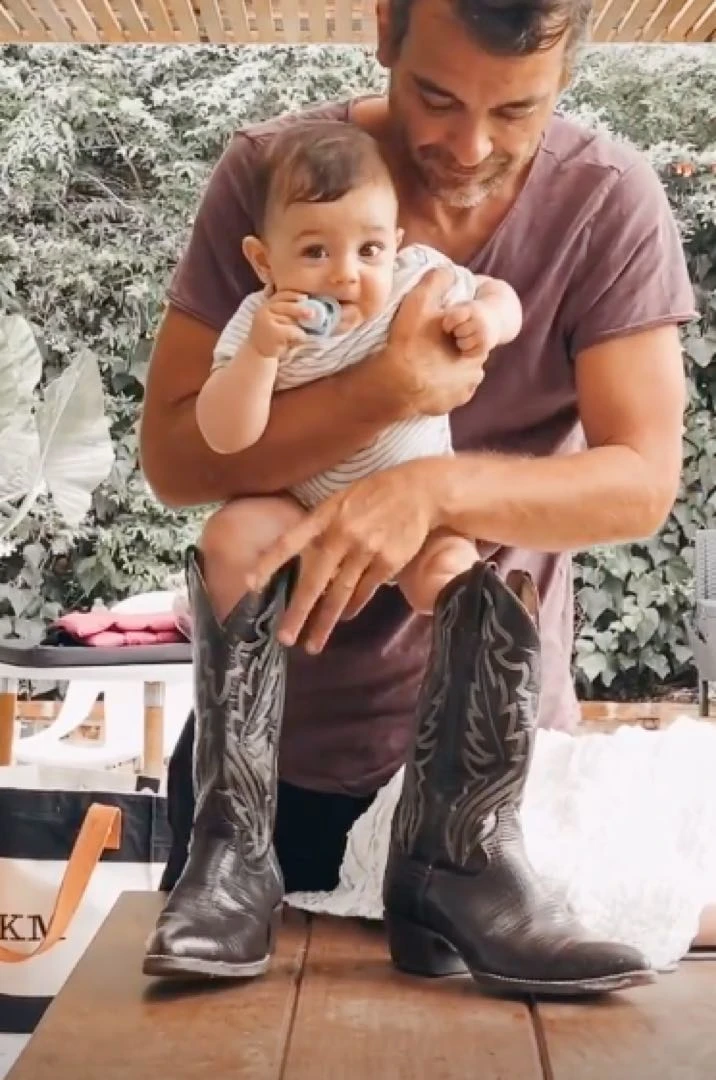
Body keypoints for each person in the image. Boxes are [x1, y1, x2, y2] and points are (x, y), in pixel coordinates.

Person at [139, 0, 699, 993]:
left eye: (516, 110)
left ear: (566, 74)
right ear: (384, 36)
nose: (469, 145)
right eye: (435, 98)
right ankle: (234, 855)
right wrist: (386, 391)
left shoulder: (605, 201)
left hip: (488, 811)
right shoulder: (275, 176)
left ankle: (452, 863)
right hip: (276, 774)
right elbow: (179, 462)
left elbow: (640, 484)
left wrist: (427, 490)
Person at [195, 120, 523, 620]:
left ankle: (478, 634)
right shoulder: (263, 322)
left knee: (448, 566)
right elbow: (224, 435)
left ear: (395, 244)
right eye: (315, 252)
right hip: (307, 518)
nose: (346, 274)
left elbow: (501, 294)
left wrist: (489, 319)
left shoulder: (414, 281)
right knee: (230, 537)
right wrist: (259, 356)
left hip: (418, 512)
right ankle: (241, 665)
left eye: (369, 250)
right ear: (264, 262)